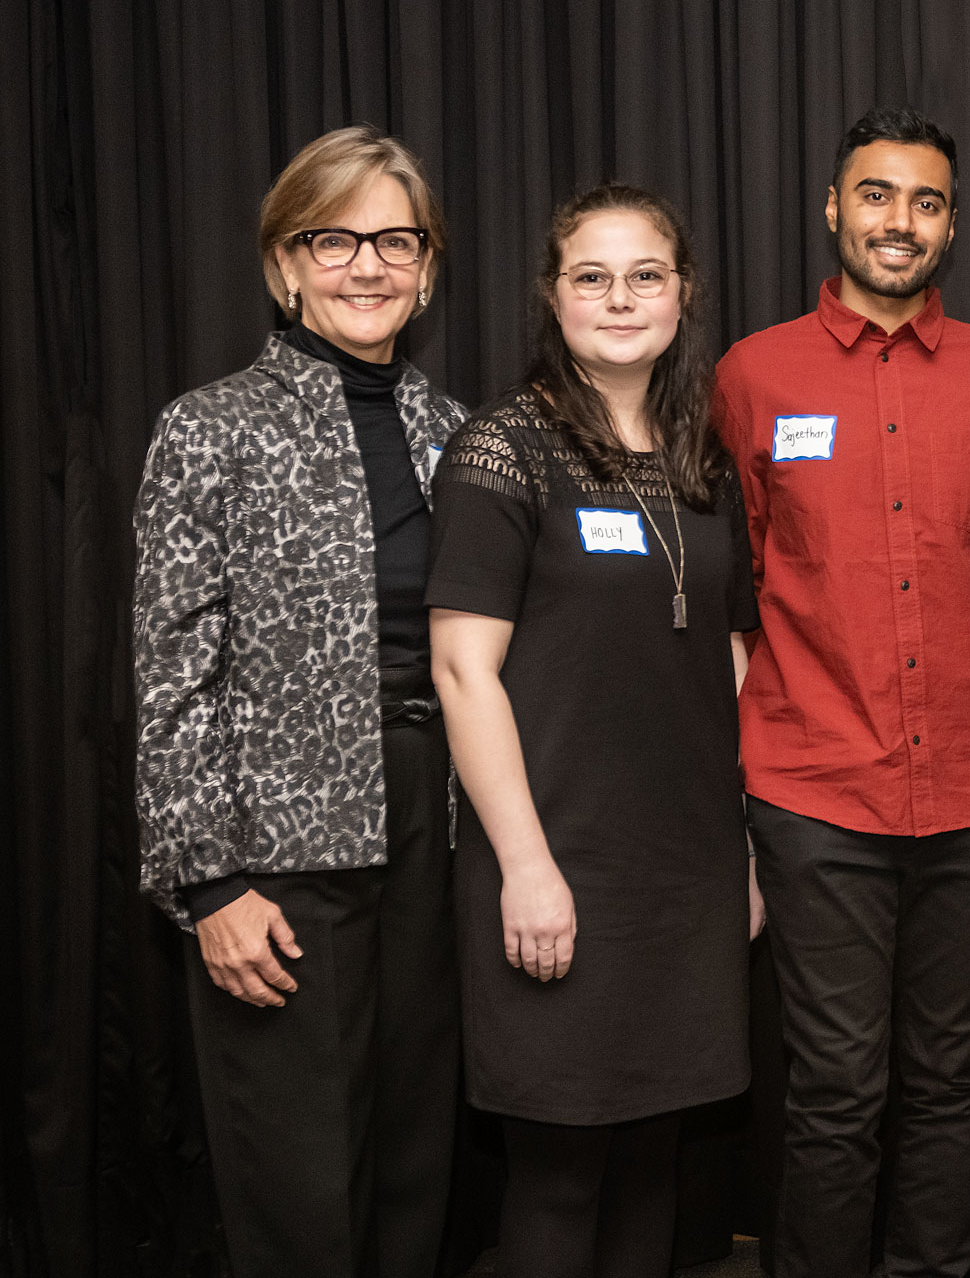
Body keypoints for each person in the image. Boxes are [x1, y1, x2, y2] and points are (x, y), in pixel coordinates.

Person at [712, 107, 970, 1278]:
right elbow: (734, 590)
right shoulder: (752, 374)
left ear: (951, 222)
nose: (898, 221)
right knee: (836, 1084)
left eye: (926, 201)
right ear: (833, 207)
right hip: (816, 791)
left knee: (955, 1081)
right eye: (876, 194)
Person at [133, 125, 465, 1277]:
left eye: (394, 239)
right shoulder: (209, 428)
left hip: (440, 824)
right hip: (278, 846)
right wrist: (209, 879)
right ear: (286, 263)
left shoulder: (459, 437)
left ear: (427, 266)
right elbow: (170, 672)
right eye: (334, 238)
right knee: (301, 1174)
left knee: (420, 1150)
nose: (366, 265)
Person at [426, 184, 760, 1277]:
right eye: (591, 276)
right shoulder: (500, 450)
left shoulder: (703, 456)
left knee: (657, 1157)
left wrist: (745, 846)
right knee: (561, 1170)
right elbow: (463, 670)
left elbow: (728, 656)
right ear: (552, 297)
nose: (621, 297)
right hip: (555, 861)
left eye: (646, 274)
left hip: (687, 872)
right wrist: (524, 864)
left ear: (684, 294)